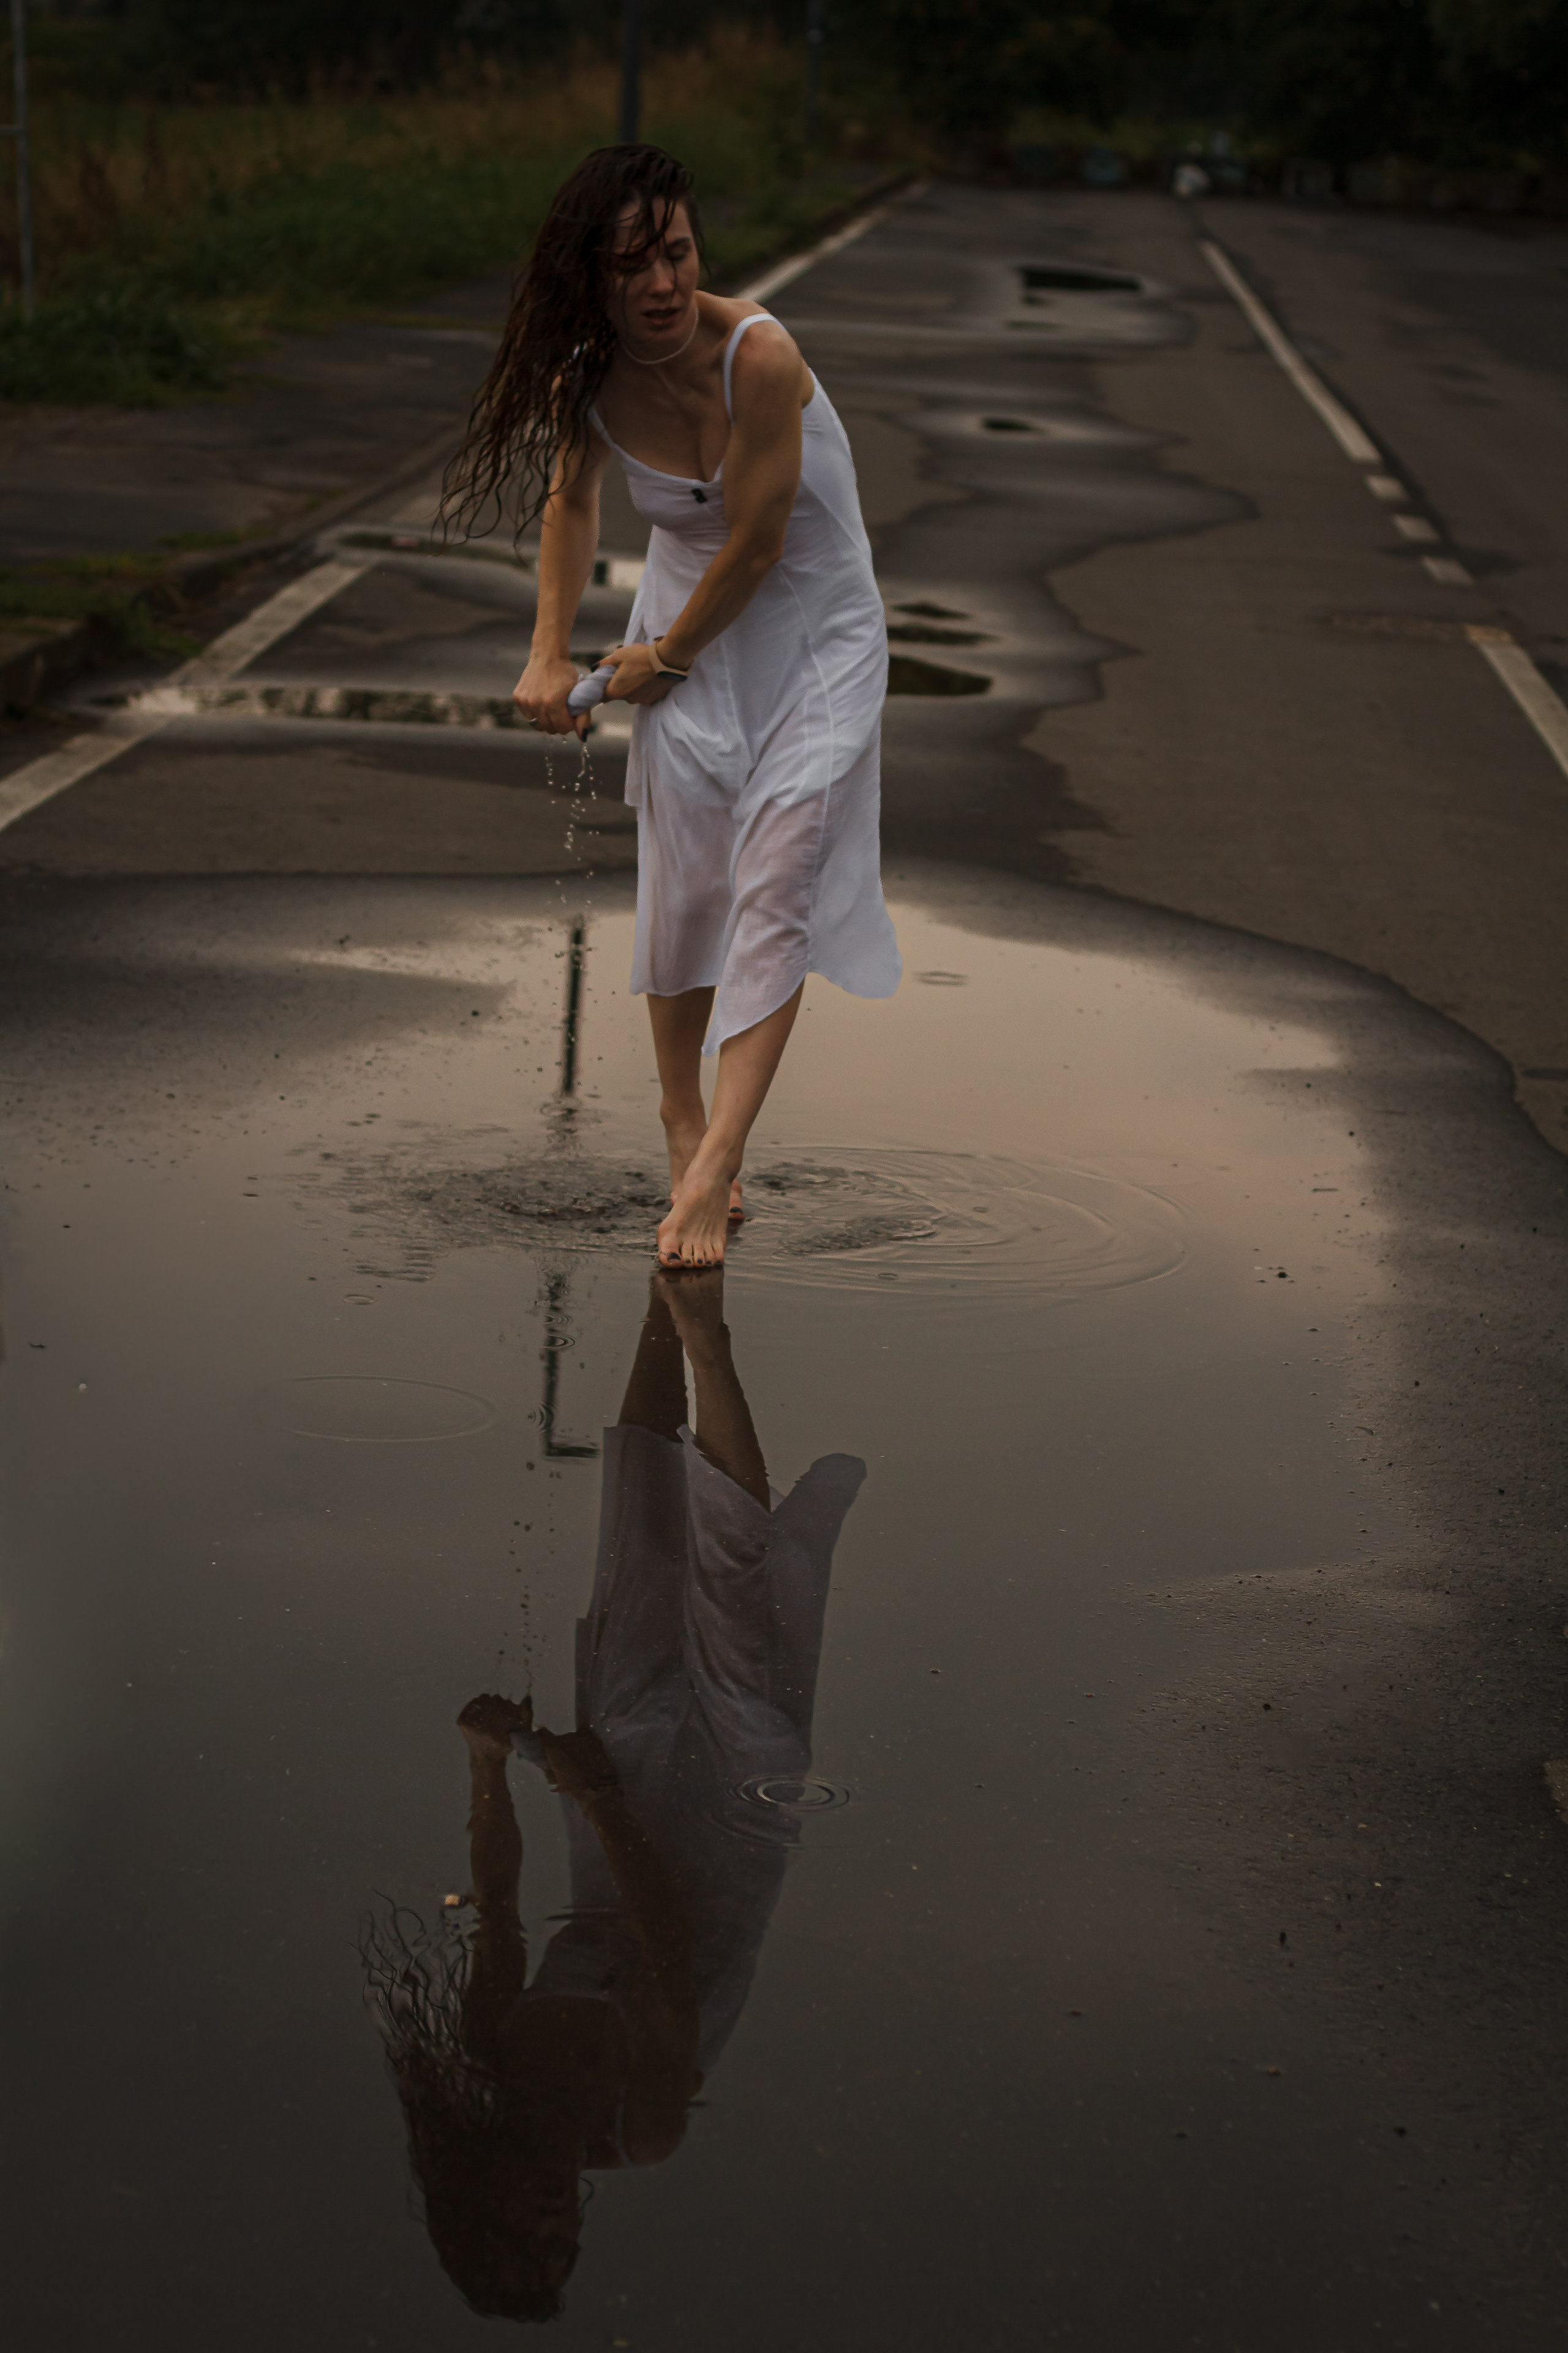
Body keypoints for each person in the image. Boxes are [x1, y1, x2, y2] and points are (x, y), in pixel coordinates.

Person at [362, 1270, 864, 2325]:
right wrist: (594, 1798)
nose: (559, 2216)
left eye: (526, 2230)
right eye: (566, 2240)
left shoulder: (493, 2057)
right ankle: (707, 1335)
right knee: (735, 1573)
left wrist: (487, 1765)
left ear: (478, 2201)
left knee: (635, 1531)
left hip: (615, 1799)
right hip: (734, 1807)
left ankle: (669, 1282)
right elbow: (668, 1944)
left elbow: (497, 1906)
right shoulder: (645, 2121)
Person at [443, 144, 902, 1268]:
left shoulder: (761, 353)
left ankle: (715, 1162)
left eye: (678, 253)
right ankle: (678, 1112)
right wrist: (550, 652)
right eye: (633, 262)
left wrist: (664, 659)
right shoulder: (588, 382)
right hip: (681, 632)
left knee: (779, 873)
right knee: (689, 873)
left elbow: (756, 542)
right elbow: (572, 504)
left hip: (811, 635)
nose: (661, 282)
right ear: (592, 278)